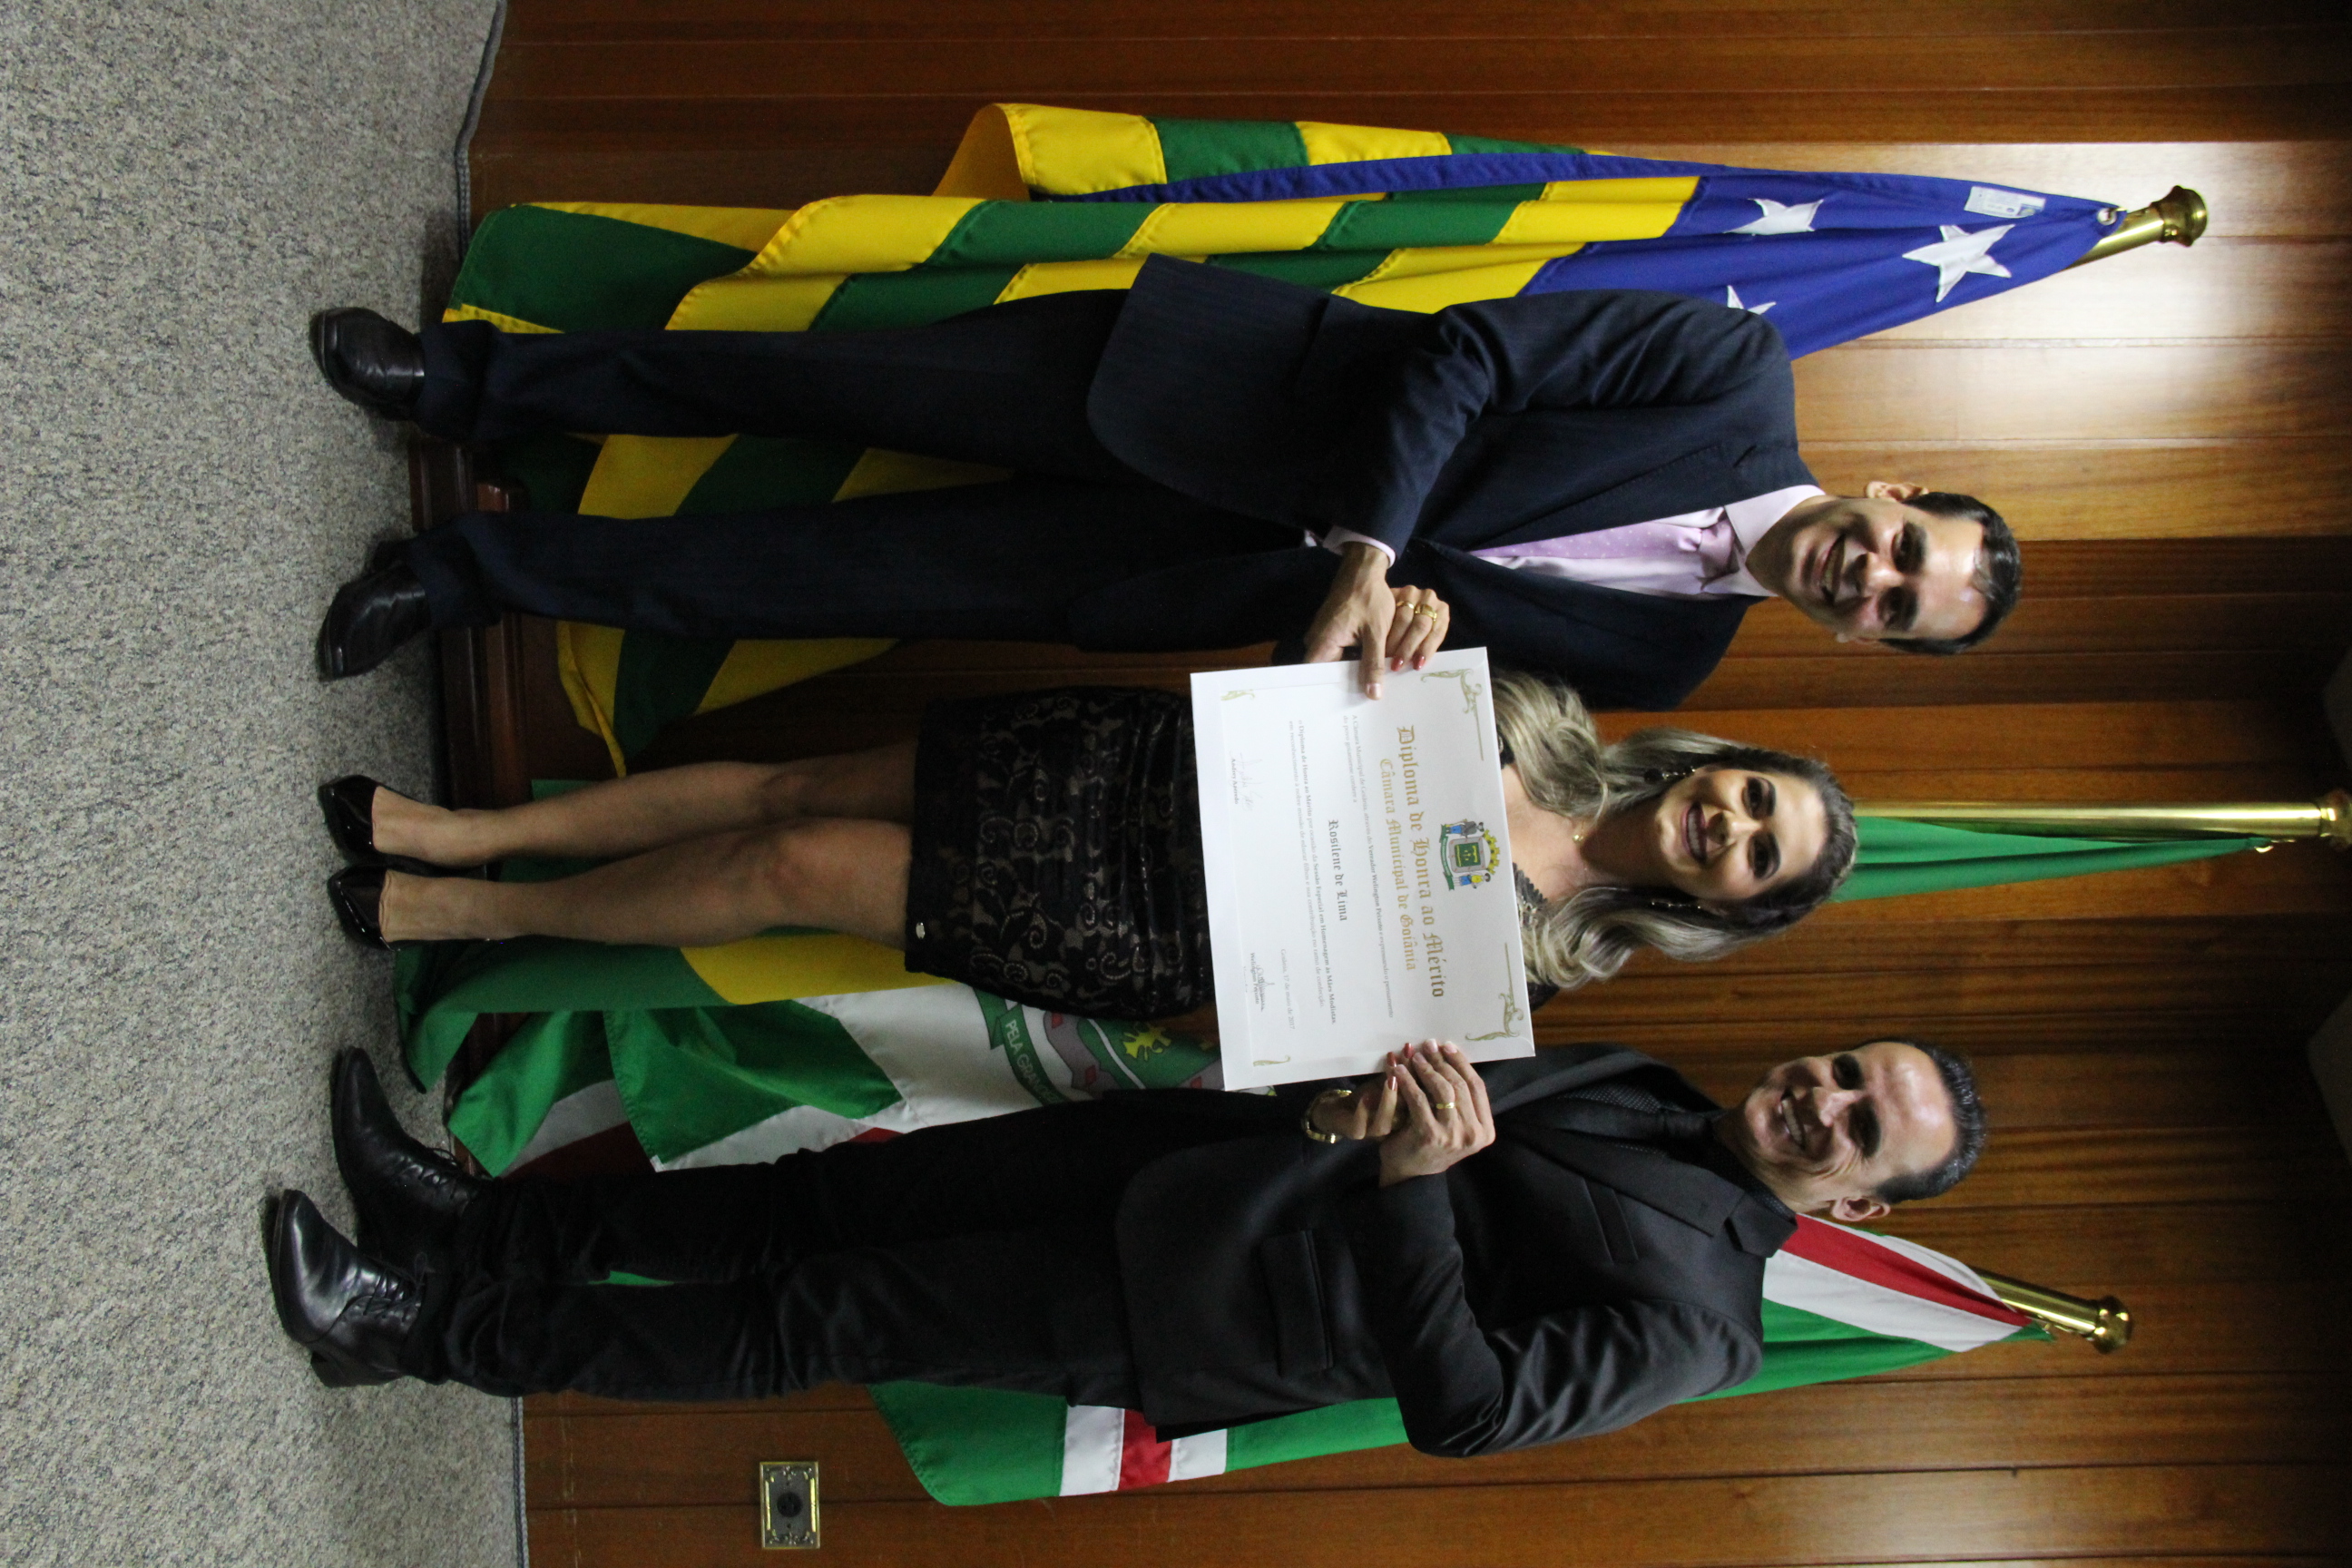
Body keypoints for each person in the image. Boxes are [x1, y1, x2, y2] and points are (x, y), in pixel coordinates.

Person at [309, 259, 2021, 708]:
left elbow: (1434, 717)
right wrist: (1376, 547)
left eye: (1895, 609)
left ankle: (463, 578)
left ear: (1864, 642)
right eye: (1903, 548)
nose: (1870, 575)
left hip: (1175, 579)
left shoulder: (1672, 664)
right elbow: (1472, 355)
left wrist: (1391, 649)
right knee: (794, 378)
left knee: (794, 582)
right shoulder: (1734, 374)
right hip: (1207, 392)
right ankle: (470, 380)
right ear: (1890, 490)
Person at [270, 1034, 1986, 1455]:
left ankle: (417, 1335)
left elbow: (1468, 1410)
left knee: (815, 1312)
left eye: (1861, 1130)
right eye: (1847, 1071)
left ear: (1859, 1204)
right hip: (1183, 1157)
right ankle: (477, 1224)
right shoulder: (1657, 1081)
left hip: (1188, 1298)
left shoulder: (1710, 1327)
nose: (1824, 1102)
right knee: (815, 1199)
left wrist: (1405, 1186)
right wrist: (1349, 1107)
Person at [318, 674, 1857, 1018]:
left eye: (1753, 856)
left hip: (1138, 926)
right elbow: (1316, 664)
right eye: (1752, 798)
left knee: (787, 876)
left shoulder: (1540, 963)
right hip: (1136, 764)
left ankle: (463, 916)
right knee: (792, 790)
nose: (1729, 824)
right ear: (1721, 766)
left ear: (1727, 906)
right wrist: (1382, 622)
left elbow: (1307, 1032)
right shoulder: (1533, 709)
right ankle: (469, 831)